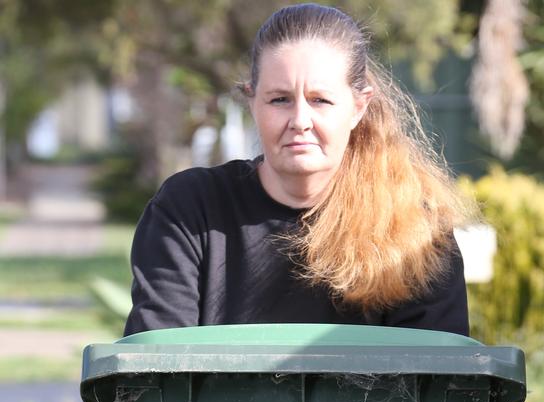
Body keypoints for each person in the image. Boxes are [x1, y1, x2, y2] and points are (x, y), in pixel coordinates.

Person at [123, 3, 472, 338]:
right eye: (280, 99)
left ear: (358, 107)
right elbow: (156, 372)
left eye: (320, 100)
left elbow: (438, 382)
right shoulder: (189, 210)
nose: (300, 121)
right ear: (252, 102)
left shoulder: (415, 226)